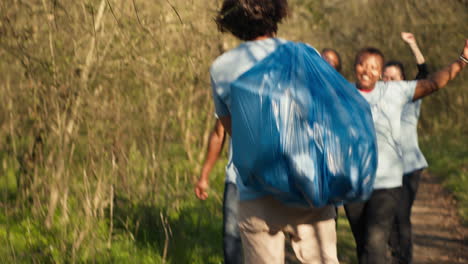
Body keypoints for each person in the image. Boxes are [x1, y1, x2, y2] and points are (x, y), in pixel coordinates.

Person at [210, 0, 339, 263]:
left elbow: (234, 130)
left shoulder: (221, 68)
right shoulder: (306, 54)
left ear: (233, 20)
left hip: (256, 191)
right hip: (307, 185)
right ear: (277, 13)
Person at [344, 41, 468, 264]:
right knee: (362, 243)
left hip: (386, 183)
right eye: (362, 64)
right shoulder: (342, 92)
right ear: (355, 66)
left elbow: (432, 83)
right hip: (354, 183)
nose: (367, 70)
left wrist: (461, 62)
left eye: (373, 67)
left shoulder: (395, 91)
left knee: (375, 242)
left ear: (380, 72)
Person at [382, 32, 429, 264]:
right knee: (386, 216)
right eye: (386, 78)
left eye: (394, 77)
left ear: (404, 80)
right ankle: (394, 252)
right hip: (385, 169)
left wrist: (413, 44)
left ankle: (404, 259)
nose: (390, 82)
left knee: (401, 215)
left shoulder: (412, 96)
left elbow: (424, 74)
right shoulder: (377, 100)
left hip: (409, 167)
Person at [194, 119, 242, 264]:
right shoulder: (230, 95)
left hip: (275, 183)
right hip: (236, 179)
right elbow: (219, 132)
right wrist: (204, 176)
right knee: (231, 238)